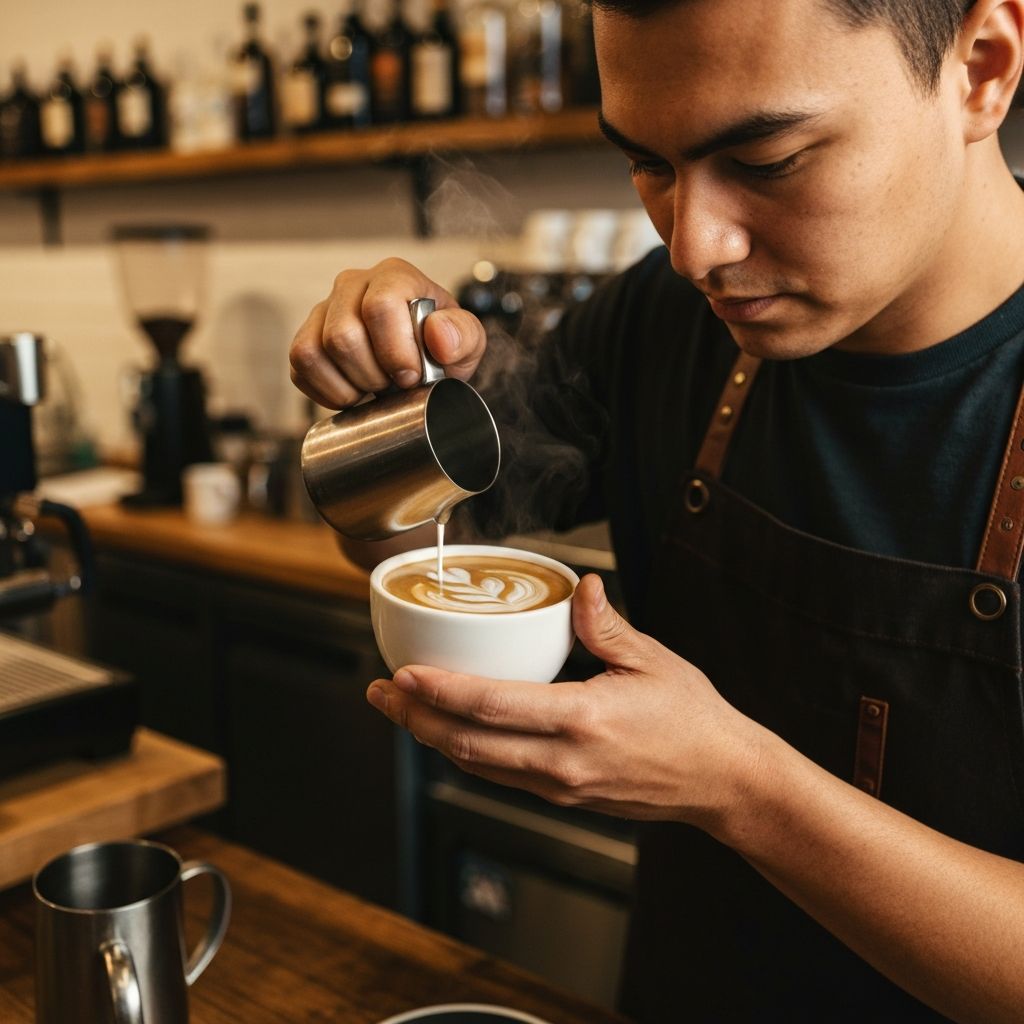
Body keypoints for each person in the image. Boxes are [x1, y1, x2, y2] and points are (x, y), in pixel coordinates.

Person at [289, 0, 1024, 1019]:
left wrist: (739, 789)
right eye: (648, 164)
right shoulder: (663, 316)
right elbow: (406, 542)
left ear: (981, 67)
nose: (693, 246)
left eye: (767, 161)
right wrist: (384, 414)